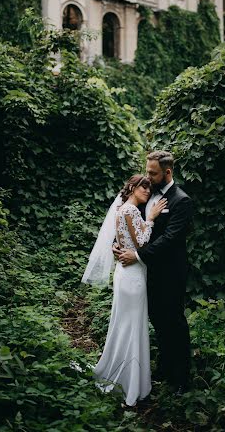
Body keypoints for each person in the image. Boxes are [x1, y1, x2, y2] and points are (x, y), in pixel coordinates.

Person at [81, 174, 167, 407]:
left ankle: (126, 376)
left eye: (150, 187)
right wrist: (150, 218)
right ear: (132, 188)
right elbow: (140, 243)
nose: (148, 191)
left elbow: (124, 241)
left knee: (127, 325)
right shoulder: (130, 211)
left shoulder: (122, 208)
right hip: (132, 277)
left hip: (127, 273)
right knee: (132, 327)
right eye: (144, 187)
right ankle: (130, 383)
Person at [117, 151, 193, 393]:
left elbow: (170, 239)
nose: (148, 177)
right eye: (147, 171)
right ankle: (164, 367)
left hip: (171, 273)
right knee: (157, 321)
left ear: (167, 172)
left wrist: (137, 256)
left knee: (175, 323)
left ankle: (182, 379)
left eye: (153, 173)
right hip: (147, 273)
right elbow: (133, 228)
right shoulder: (147, 195)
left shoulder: (182, 200)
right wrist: (119, 245)